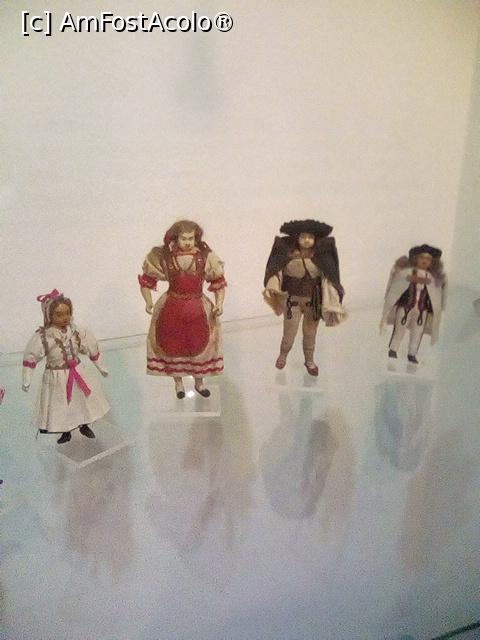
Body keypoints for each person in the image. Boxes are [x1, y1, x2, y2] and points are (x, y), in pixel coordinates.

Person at [138, 220, 226, 398]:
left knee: (199, 344)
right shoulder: (165, 257)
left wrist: (219, 304)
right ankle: (178, 383)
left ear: (196, 238)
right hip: (171, 308)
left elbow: (218, 282)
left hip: (198, 308)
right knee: (172, 345)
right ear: (175, 238)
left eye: (191, 238)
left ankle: (199, 382)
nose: (187, 242)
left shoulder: (205, 257)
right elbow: (147, 280)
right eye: (184, 238)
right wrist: (148, 301)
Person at [22, 290, 110, 444]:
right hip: (57, 377)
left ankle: (84, 424)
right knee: (61, 404)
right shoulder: (44, 337)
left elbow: (91, 347)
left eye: (67, 313)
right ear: (49, 316)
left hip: (78, 373)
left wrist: (100, 366)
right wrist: (27, 378)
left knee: (82, 401)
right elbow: (31, 356)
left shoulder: (76, 332)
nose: (64, 318)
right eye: (59, 314)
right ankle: (65, 431)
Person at [263, 219, 346, 375]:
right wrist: (272, 285)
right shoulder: (287, 254)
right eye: (303, 237)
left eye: (310, 237)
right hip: (291, 300)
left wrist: (333, 297)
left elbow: (329, 278)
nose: (306, 240)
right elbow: (276, 271)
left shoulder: (321, 257)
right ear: (297, 238)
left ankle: (309, 361)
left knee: (310, 333)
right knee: (289, 332)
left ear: (315, 239)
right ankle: (283, 355)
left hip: (313, 301)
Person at [380, 244, 447, 363]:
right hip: (406, 306)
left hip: (422, 309)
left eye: (428, 259)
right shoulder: (406, 273)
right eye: (422, 258)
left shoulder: (432, 278)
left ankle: (412, 353)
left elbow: (437, 293)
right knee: (400, 329)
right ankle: (393, 350)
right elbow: (396, 285)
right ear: (416, 259)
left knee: (417, 332)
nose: (425, 261)